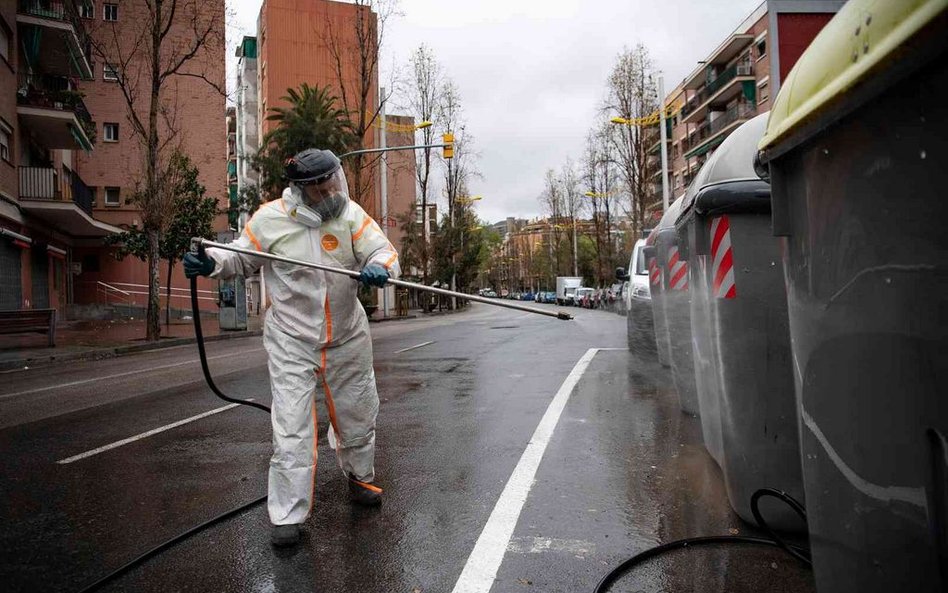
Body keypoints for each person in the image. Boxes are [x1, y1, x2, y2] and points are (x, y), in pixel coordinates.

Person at [183, 148, 399, 547]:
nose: (333, 192)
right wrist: (210, 261)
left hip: (347, 336)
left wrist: (381, 267)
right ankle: (287, 514)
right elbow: (239, 256)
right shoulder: (270, 221)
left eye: (336, 182)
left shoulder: (350, 215)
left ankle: (360, 478)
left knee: (357, 412)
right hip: (291, 340)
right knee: (292, 426)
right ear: (303, 191)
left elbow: (382, 249)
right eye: (324, 187)